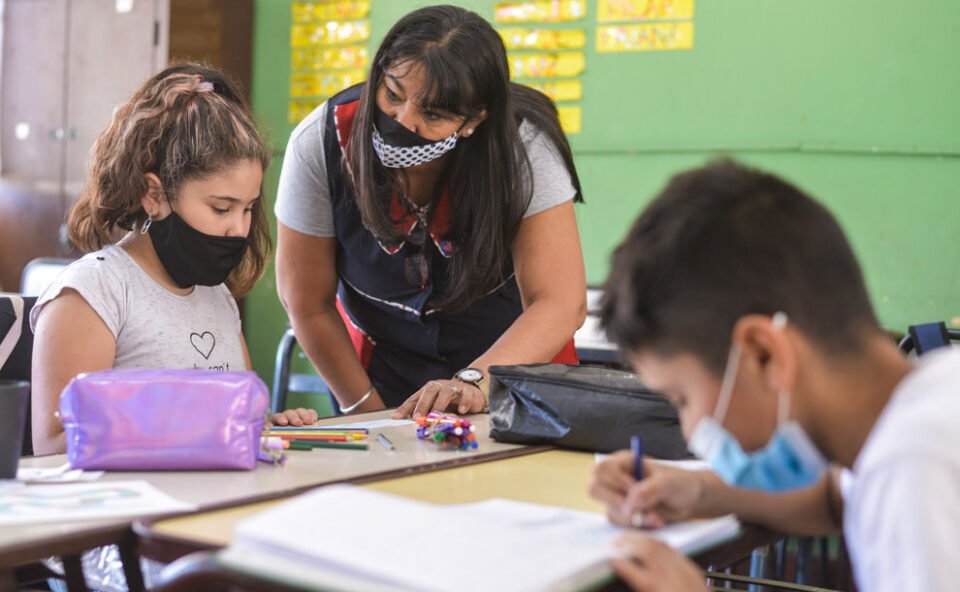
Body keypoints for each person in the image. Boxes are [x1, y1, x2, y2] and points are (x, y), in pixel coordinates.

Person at [589, 160, 960, 591]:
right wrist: (696, 490)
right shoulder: (926, 401)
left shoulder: (917, 464)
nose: (691, 432)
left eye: (682, 398)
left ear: (764, 354)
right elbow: (835, 498)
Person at [275, 5, 587, 420]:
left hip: (514, 367)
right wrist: (369, 415)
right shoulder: (322, 141)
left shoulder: (524, 149)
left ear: (473, 121)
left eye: (433, 114)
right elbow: (306, 302)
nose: (403, 120)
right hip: (382, 373)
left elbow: (560, 302)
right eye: (392, 94)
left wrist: (474, 381)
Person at [31, 63, 317, 457]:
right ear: (154, 194)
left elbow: (237, 419)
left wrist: (266, 425)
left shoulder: (217, 296)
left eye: (248, 208)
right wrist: (193, 425)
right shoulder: (92, 294)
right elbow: (55, 445)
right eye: (221, 208)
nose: (240, 228)